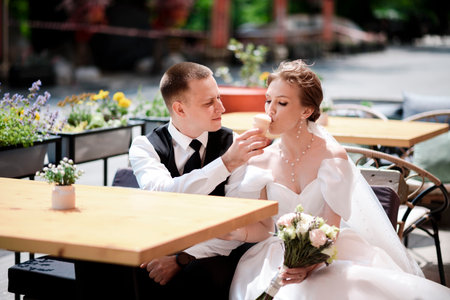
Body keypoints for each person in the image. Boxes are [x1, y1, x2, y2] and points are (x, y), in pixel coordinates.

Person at [224, 60, 450, 299]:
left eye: (281, 103)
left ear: (306, 111)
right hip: (274, 255)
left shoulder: (331, 158)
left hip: (331, 251)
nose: (270, 110)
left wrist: (308, 265)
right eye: (268, 100)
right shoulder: (260, 160)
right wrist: (234, 232)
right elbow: (263, 229)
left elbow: (332, 227)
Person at [128, 61, 271, 299]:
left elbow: (234, 223)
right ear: (180, 109)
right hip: (160, 242)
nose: (221, 108)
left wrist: (183, 258)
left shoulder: (232, 144)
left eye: (219, 98)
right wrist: (225, 164)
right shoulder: (145, 147)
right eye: (209, 103)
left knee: (203, 275)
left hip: (215, 254)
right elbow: (163, 195)